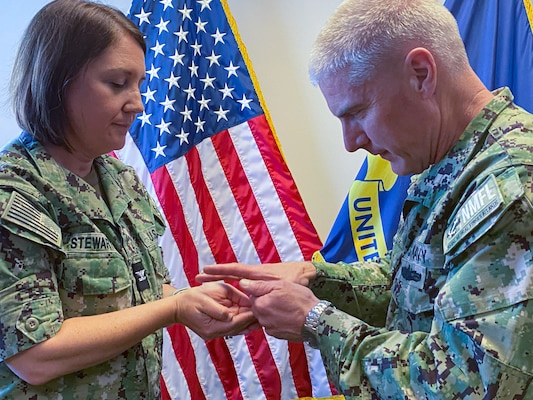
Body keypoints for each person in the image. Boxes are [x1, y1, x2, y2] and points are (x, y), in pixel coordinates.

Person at [197, 0, 533, 398]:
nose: (351, 142)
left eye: (356, 112)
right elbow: (411, 283)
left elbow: (466, 382)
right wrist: (315, 280)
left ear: (421, 74)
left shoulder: (510, 184)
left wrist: (315, 320)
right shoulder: (449, 160)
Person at [0, 1, 256, 398]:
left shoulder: (120, 178)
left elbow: (145, 292)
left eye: (138, 84)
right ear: (58, 82)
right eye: (117, 83)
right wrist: (171, 309)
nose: (137, 103)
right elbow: (35, 354)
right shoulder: (13, 192)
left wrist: (191, 299)